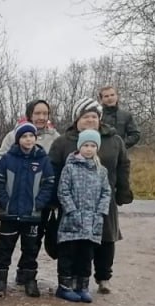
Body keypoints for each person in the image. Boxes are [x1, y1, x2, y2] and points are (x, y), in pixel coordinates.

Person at [47, 99, 132, 294]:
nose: (91, 120)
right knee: (73, 241)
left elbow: (123, 165)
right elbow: (53, 170)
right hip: (72, 202)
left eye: (94, 116)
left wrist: (123, 190)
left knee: (106, 237)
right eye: (86, 116)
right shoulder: (63, 142)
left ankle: (103, 277)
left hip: (103, 197)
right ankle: (72, 279)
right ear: (77, 118)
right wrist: (53, 199)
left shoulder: (114, 139)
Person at [0, 122, 56, 298]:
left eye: (31, 136)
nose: (28, 139)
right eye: (24, 136)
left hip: (32, 215)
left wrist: (39, 203)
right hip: (9, 214)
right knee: (4, 248)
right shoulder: (8, 159)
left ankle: (29, 280)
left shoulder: (43, 159)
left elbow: (48, 184)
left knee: (31, 249)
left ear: (35, 138)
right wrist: (4, 202)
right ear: (18, 139)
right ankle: (0, 279)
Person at [54, 129, 112, 303]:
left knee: (86, 256)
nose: (88, 149)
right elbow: (63, 191)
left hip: (92, 222)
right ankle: (65, 286)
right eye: (85, 145)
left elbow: (106, 192)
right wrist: (71, 210)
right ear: (79, 147)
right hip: (72, 221)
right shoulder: (69, 168)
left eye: (92, 145)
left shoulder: (101, 171)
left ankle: (82, 286)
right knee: (68, 254)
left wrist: (100, 212)